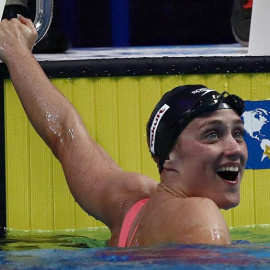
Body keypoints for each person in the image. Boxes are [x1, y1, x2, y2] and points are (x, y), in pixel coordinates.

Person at [0, 16, 248, 247]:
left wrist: (16, 51)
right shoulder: (201, 217)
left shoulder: (131, 204)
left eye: (238, 133)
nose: (234, 148)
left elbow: (65, 133)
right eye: (212, 135)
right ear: (168, 155)